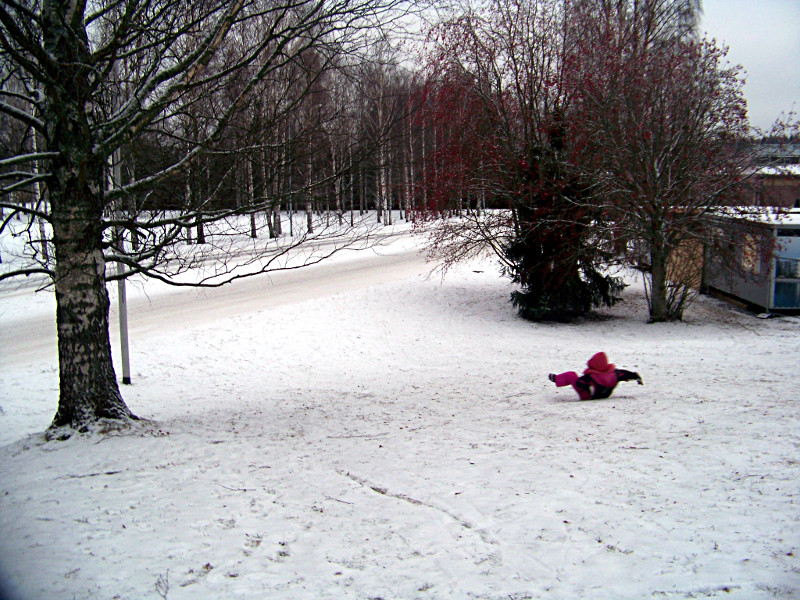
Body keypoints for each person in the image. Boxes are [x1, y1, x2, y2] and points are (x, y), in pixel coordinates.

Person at [549, 351, 643, 400]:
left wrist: (581, 384)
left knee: (571, 375)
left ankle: (557, 379)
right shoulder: (615, 374)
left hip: (588, 396)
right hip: (604, 395)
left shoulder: (592, 376)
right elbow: (626, 374)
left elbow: (580, 382)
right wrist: (636, 377)